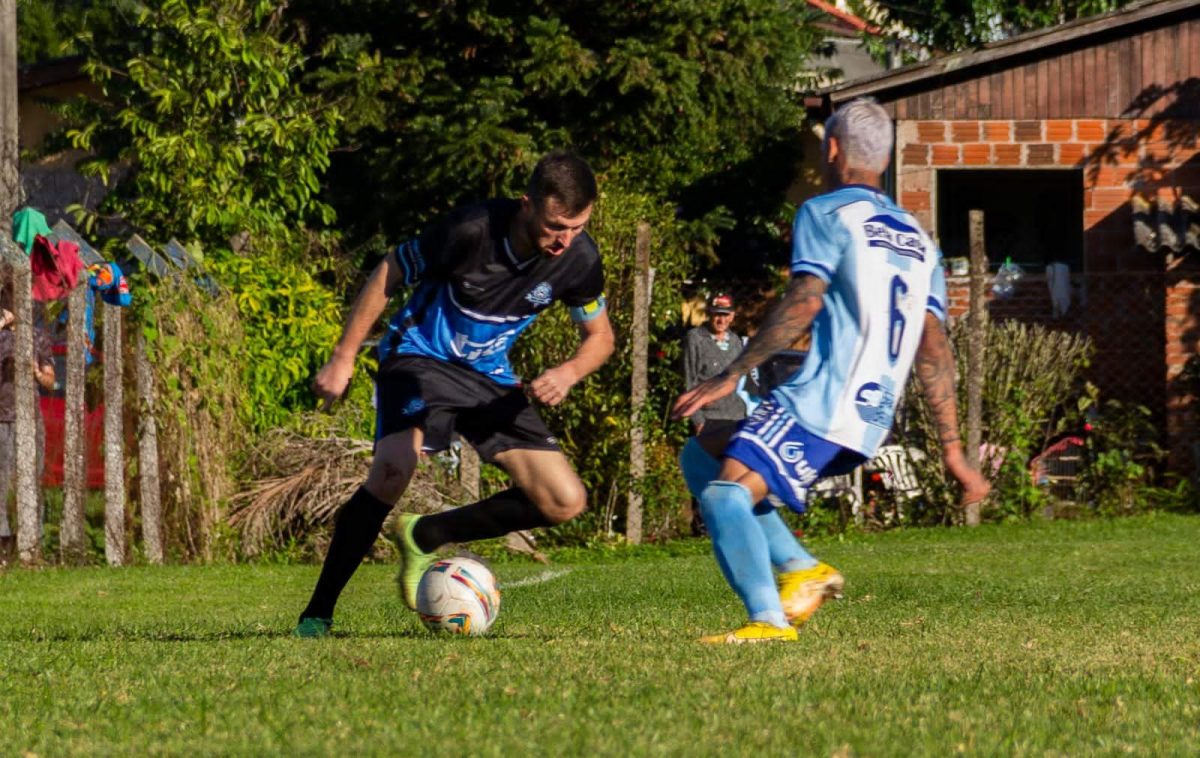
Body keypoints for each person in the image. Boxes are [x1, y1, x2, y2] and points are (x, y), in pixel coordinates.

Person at [672, 98, 991, 644]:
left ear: (834, 150)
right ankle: (803, 568)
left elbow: (804, 301)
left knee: (725, 496)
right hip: (869, 420)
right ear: (885, 161)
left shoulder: (827, 212)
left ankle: (768, 621)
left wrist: (731, 374)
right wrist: (953, 449)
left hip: (821, 403)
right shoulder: (920, 243)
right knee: (703, 455)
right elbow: (934, 349)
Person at [295, 150, 614, 638]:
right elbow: (389, 272)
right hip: (418, 356)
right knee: (392, 470)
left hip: (488, 377)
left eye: (577, 227)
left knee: (563, 501)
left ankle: (427, 533)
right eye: (556, 226)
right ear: (527, 204)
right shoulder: (471, 230)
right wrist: (343, 356)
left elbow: (600, 338)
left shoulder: (580, 260)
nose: (565, 240)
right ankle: (317, 613)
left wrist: (569, 372)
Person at [682, 292, 746, 534]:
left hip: (735, 415)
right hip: (708, 417)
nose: (720, 320)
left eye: (725, 315)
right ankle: (703, 525)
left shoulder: (737, 342)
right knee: (707, 471)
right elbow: (689, 380)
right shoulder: (696, 338)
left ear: (732, 317)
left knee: (734, 471)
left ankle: (732, 522)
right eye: (716, 315)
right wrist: (697, 417)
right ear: (709, 315)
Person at [0, 305, 56, 561]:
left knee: (30, 479)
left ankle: (32, 541)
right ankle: (3, 542)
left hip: (30, 421)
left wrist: (36, 371)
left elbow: (50, 381)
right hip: (1, 421)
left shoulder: (38, 337)